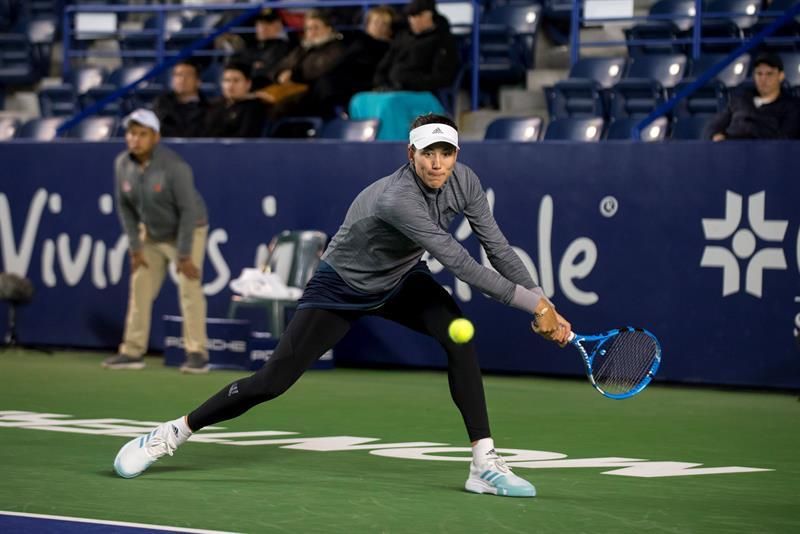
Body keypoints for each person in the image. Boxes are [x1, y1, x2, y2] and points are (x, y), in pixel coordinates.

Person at [112, 113, 572, 498]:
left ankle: (483, 465)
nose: (437, 163)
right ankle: (172, 433)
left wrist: (542, 301)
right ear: (409, 154)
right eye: (427, 153)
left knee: (459, 337)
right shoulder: (398, 199)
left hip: (401, 279)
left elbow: (497, 246)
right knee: (271, 382)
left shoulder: (465, 182)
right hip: (342, 286)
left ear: (456, 155)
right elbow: (461, 262)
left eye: (446, 153)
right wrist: (534, 308)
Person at [102, 109, 210, 374]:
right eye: (131, 133)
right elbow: (125, 208)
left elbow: (188, 212)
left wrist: (184, 255)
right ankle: (131, 351)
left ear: (155, 137)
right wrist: (135, 247)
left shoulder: (176, 167)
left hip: (188, 231)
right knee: (139, 288)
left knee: (189, 288)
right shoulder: (122, 164)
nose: (135, 139)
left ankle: (197, 353)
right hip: (150, 234)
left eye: (142, 134)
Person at [255, 9, 346, 120]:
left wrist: (292, 75)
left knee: (279, 109)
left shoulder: (336, 48)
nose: (312, 32)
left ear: (328, 28)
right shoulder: (302, 48)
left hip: (315, 95)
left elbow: (317, 69)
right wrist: (280, 74)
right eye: (308, 28)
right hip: (293, 89)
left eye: (316, 28)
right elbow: (282, 65)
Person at [706, 52, 800, 140]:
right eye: (759, 74)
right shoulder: (740, 100)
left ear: (781, 76)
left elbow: (785, 139)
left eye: (769, 74)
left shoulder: (792, 106)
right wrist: (715, 135)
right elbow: (713, 128)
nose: (763, 79)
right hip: (732, 152)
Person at [372, 0, 459, 93]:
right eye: (410, 17)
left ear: (428, 15)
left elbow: (442, 76)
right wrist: (381, 83)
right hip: (391, 89)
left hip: (418, 92)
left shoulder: (443, 40)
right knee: (360, 99)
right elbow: (384, 65)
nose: (411, 20)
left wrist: (407, 82)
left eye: (415, 16)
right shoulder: (403, 36)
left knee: (388, 104)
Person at [203, 61, 268, 138]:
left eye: (236, 80)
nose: (230, 85)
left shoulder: (254, 108)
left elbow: (245, 137)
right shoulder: (215, 106)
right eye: (226, 80)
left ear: (248, 84)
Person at [152, 59, 209, 138]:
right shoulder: (161, 105)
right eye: (178, 75)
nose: (182, 79)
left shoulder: (209, 109)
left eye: (188, 75)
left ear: (198, 81)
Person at [244, 9, 292, 90]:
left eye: (268, 23)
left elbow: (275, 71)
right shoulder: (250, 46)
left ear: (278, 25)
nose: (263, 27)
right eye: (260, 23)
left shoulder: (284, 47)